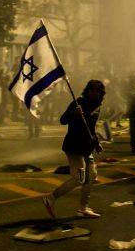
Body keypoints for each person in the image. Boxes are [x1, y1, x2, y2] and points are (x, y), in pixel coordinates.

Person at [43, 80, 105, 219]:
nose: (94, 93)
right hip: (74, 145)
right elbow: (63, 120)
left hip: (87, 147)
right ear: (87, 91)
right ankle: (50, 198)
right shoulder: (78, 103)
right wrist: (74, 114)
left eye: (97, 91)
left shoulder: (97, 106)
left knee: (91, 175)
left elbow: (91, 127)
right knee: (79, 179)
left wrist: (96, 142)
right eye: (92, 90)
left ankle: (83, 208)